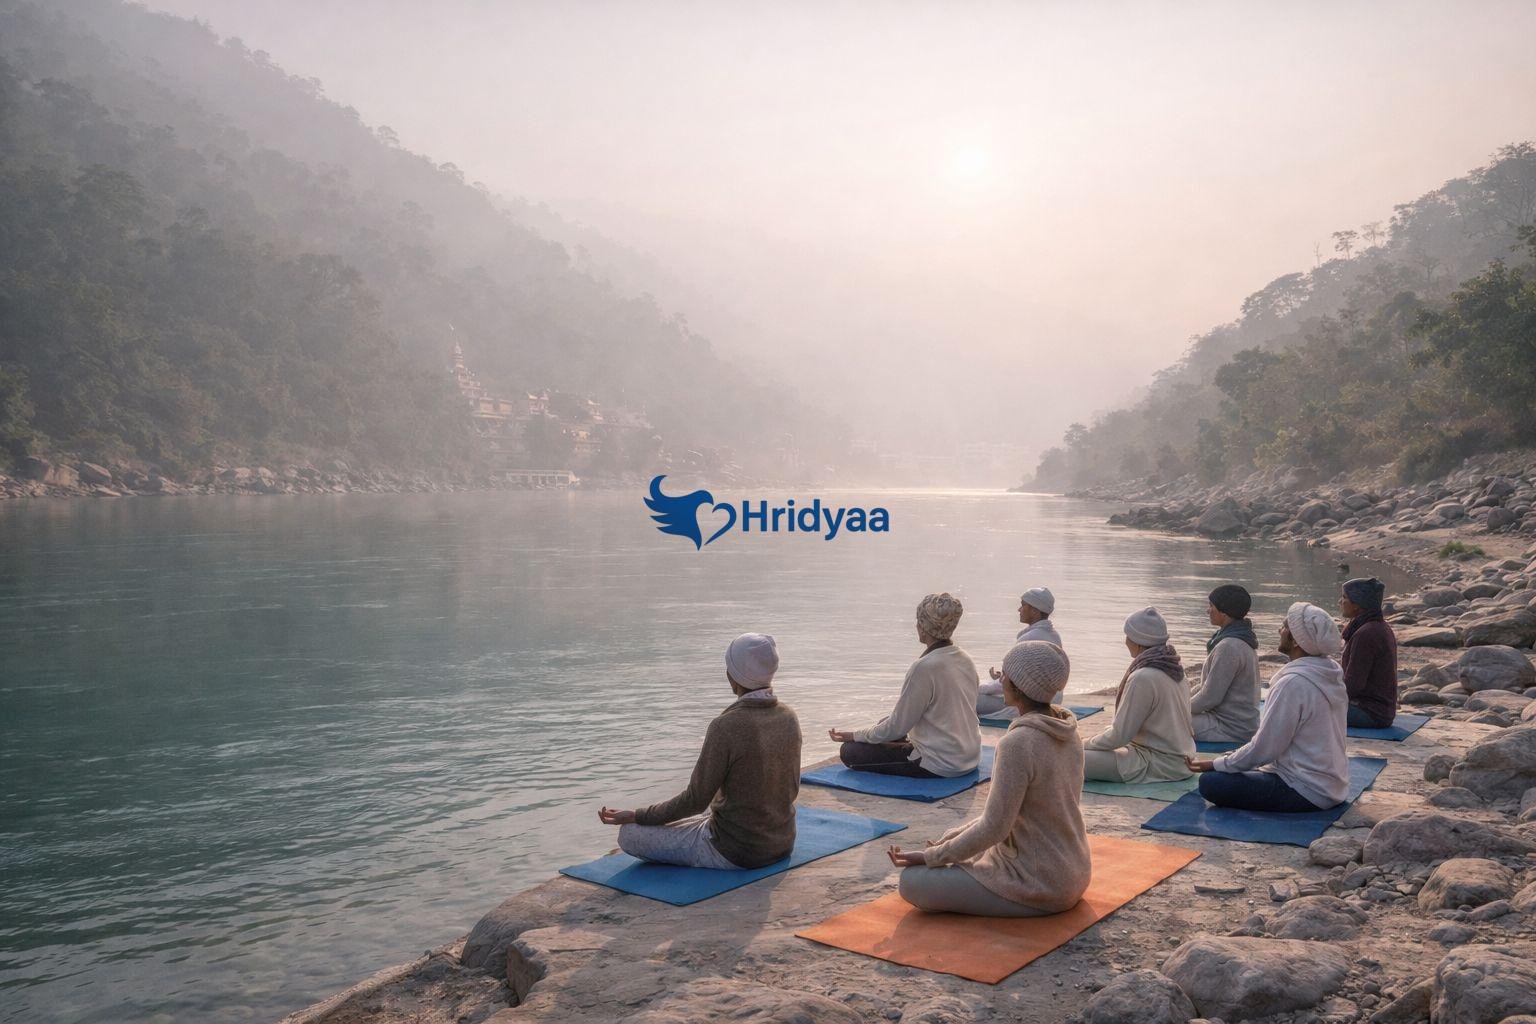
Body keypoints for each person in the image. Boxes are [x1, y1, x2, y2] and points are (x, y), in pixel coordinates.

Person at [887, 640, 1091, 916]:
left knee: (912, 882)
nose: (1001, 679)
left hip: (1039, 884)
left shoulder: (1018, 743)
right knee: (955, 853)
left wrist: (931, 856)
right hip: (1074, 870)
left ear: (1019, 686)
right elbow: (1005, 818)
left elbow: (995, 828)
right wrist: (948, 840)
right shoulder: (1068, 732)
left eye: (1005, 674)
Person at [597, 633, 801, 869]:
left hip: (737, 851)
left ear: (731, 676)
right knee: (701, 816)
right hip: (782, 843)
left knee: (629, 834)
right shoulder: (789, 717)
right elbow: (790, 787)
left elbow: (695, 800)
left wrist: (638, 815)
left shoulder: (725, 726)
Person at [1186, 602, 1349, 812]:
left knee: (1211, 782)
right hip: (1332, 786)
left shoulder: (1292, 684)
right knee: (1230, 762)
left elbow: (1265, 748)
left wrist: (1216, 764)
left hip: (1305, 789)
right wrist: (1230, 759)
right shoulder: (1329, 672)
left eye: (1284, 627)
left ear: (1297, 642)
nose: (1279, 631)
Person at [829, 593, 981, 778]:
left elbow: (896, 728)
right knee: (883, 723)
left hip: (940, 763)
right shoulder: (965, 659)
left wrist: (853, 735)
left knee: (850, 751)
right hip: (969, 755)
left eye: (919, 621)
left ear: (924, 628)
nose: (916, 625)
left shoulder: (924, 667)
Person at [1082, 607, 1194, 783]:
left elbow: (1120, 736)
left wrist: (1082, 744)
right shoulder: (1173, 668)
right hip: (1179, 759)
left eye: (1128, 637)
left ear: (1138, 641)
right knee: (1087, 746)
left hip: (1158, 763)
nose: (1126, 641)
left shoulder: (1143, 677)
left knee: (1064, 758)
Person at [977, 586, 1065, 718]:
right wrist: (1003, 677)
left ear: (1035, 611)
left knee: (971, 698)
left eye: (1023, 605)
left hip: (1032, 704)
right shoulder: (1054, 635)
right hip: (1052, 700)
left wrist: (976, 687)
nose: (1019, 609)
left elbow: (1006, 685)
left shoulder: (1028, 639)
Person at [1190, 584, 1260, 743]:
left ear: (1224, 612)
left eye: (1211, 606)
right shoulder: (1238, 639)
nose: (1208, 610)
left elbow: (1209, 698)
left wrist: (1177, 709)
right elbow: (1207, 686)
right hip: (1233, 723)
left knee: (1163, 722)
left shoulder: (1229, 647)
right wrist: (1181, 699)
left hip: (1230, 728)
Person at [1339, 577, 1398, 730]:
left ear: (1357, 605)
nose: (1340, 602)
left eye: (1345, 597)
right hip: (1379, 710)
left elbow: (1353, 685)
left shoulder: (1366, 634)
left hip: (1371, 713)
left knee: (1306, 709)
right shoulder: (1378, 627)